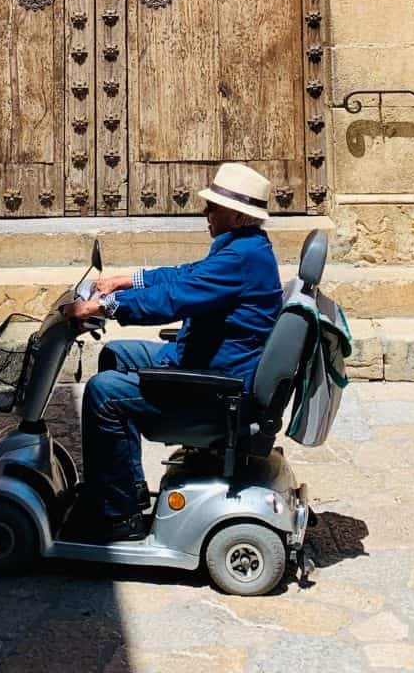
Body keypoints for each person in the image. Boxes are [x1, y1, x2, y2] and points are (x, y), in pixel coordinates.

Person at [59, 163, 284, 543]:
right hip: (204, 365)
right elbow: (184, 275)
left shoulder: (239, 260)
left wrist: (105, 307)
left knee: (103, 394)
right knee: (116, 355)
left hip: (215, 389)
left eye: (213, 207)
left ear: (239, 214)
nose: (205, 213)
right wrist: (124, 280)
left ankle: (118, 515)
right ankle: (121, 485)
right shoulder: (245, 249)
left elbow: (173, 298)